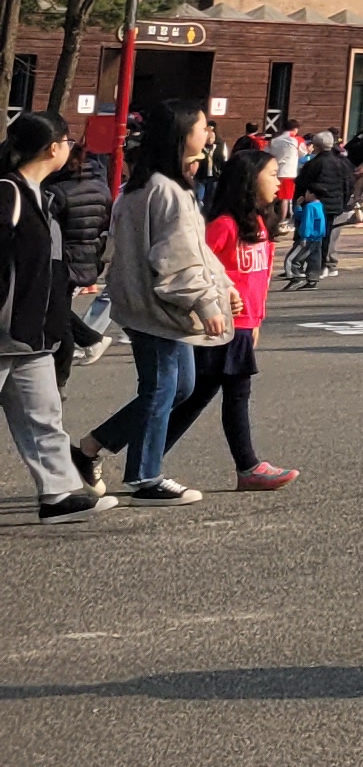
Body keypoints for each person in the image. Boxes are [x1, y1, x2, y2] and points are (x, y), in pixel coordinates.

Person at [88, 137, 296, 495]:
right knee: (204, 393)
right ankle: (244, 466)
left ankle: (131, 454)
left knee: (189, 394)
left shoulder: (260, 224)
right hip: (215, 321)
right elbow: (196, 265)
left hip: (239, 324)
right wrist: (213, 302)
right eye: (272, 174)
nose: (279, 182)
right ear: (249, 181)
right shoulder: (220, 223)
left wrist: (256, 319)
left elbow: (257, 281)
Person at [98, 99, 239, 503]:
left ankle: (92, 447)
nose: (208, 133)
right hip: (159, 306)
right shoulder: (167, 191)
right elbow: (177, 257)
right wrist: (207, 303)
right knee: (163, 387)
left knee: (178, 387)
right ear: (182, 135)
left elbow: (195, 251)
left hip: (147, 302)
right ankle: (145, 476)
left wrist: (222, 286)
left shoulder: (150, 186)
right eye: (202, 127)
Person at [4, 111, 102, 518]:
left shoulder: (41, 196)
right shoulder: (9, 192)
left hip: (31, 334)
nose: (69, 149)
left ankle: (58, 493)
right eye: (66, 141)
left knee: (44, 415)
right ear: (52, 148)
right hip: (5, 329)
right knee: (41, 414)